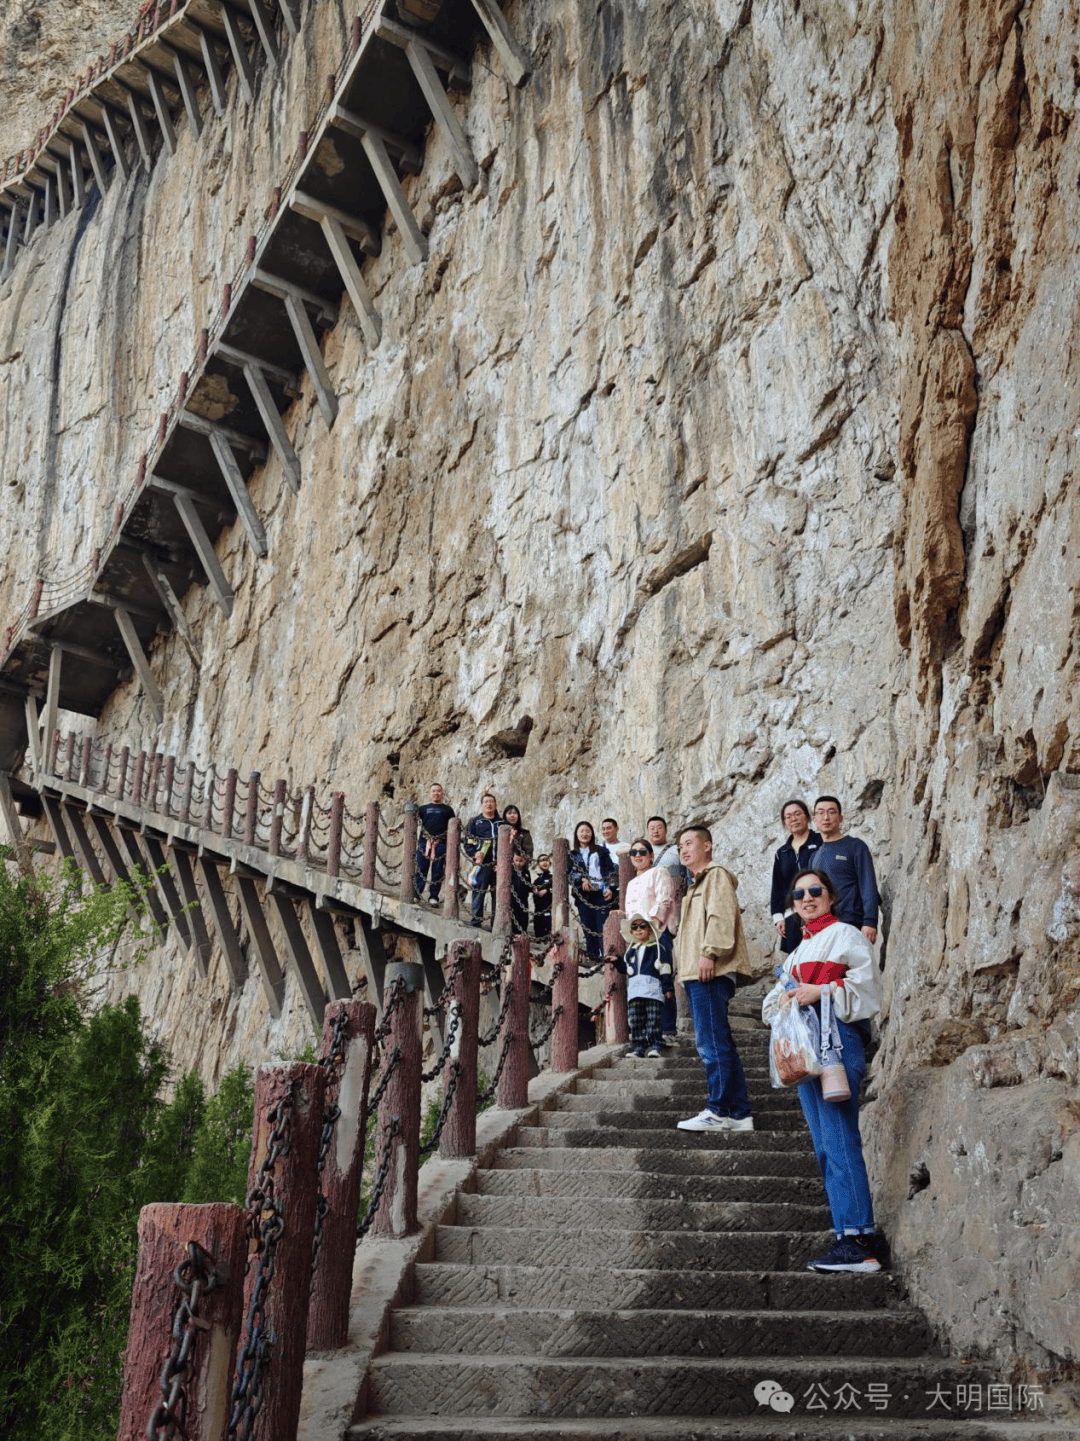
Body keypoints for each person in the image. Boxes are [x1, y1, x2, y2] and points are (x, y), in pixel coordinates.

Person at [761, 868, 887, 1272]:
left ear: (831, 897)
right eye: (799, 894)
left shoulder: (846, 936)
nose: (807, 898)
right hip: (806, 1052)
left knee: (838, 1137)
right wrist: (789, 1000)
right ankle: (846, 1234)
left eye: (815, 890)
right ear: (793, 905)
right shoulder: (798, 953)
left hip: (837, 1043)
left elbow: (868, 993)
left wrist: (822, 991)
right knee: (823, 1144)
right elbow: (769, 1005)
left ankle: (860, 1241)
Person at [673, 825, 753, 1131]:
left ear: (707, 846)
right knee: (720, 1042)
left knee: (710, 1043)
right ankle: (739, 1113)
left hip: (709, 968)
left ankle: (718, 1111)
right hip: (699, 970)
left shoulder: (716, 875)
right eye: (680, 846)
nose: (684, 849)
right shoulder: (697, 883)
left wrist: (710, 953)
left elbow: (720, 916)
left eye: (690, 843)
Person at [625, 836, 678, 1042]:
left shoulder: (659, 872)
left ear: (651, 855)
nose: (637, 856)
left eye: (642, 852)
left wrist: (651, 926)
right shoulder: (630, 883)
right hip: (638, 938)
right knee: (642, 983)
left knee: (662, 980)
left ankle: (667, 1029)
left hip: (657, 933)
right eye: (634, 852)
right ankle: (647, 1032)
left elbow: (664, 900)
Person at [812, 797, 881, 944]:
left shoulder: (856, 846)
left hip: (850, 924)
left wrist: (870, 921)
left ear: (840, 818)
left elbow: (868, 884)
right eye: (821, 813)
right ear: (814, 819)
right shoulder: (815, 855)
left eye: (831, 812)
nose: (826, 817)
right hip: (821, 928)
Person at [769, 799, 822, 953]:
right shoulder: (782, 852)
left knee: (820, 957)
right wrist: (778, 917)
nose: (794, 819)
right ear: (785, 822)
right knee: (795, 962)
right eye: (788, 816)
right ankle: (787, 978)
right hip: (792, 914)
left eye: (797, 814)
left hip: (819, 908)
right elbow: (777, 886)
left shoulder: (820, 841)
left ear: (807, 816)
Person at [620, 914, 674, 1058]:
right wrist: (616, 962)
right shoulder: (630, 951)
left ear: (650, 929)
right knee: (636, 1020)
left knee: (653, 1019)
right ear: (631, 932)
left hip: (652, 990)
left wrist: (667, 987)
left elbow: (665, 968)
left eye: (642, 926)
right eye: (634, 927)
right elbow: (625, 968)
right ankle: (638, 1048)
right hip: (635, 991)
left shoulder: (657, 948)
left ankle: (655, 1046)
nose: (638, 930)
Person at [569, 821, 618, 959]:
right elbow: (569, 874)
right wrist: (582, 879)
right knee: (588, 927)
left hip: (601, 893)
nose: (585, 834)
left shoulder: (601, 850)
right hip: (583, 895)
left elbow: (611, 871)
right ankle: (593, 957)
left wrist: (610, 888)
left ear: (592, 834)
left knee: (603, 926)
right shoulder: (572, 854)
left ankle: (606, 957)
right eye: (581, 831)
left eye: (588, 831)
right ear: (577, 835)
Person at [413, 783, 456, 905]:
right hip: (424, 842)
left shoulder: (448, 810)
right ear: (430, 793)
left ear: (442, 793)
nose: (436, 793)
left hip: (441, 842)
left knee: (437, 870)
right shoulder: (423, 809)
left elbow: (454, 826)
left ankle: (434, 896)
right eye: (433, 791)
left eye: (438, 791)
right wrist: (395, 828)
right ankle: (417, 893)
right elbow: (411, 819)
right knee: (421, 867)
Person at [464, 793, 501, 928]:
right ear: (482, 805)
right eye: (486, 802)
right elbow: (468, 842)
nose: (489, 804)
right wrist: (475, 854)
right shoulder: (475, 822)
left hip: (498, 865)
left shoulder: (501, 823)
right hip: (482, 864)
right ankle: (475, 922)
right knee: (478, 893)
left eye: (492, 801)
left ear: (496, 805)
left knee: (498, 896)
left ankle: (496, 924)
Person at [502, 804, 534, 935]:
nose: (512, 815)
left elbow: (529, 851)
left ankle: (521, 930)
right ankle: (503, 926)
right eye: (509, 813)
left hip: (520, 870)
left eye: (515, 813)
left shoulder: (524, 834)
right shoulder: (501, 831)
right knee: (504, 899)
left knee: (521, 901)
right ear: (504, 815)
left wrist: (520, 860)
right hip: (504, 870)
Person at [532, 853, 553, 939]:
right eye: (541, 860)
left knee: (548, 924)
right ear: (538, 864)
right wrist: (535, 891)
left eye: (546, 860)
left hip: (549, 907)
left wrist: (547, 891)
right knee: (538, 924)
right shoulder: (537, 880)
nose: (544, 862)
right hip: (538, 908)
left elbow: (557, 889)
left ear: (549, 863)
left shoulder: (553, 878)